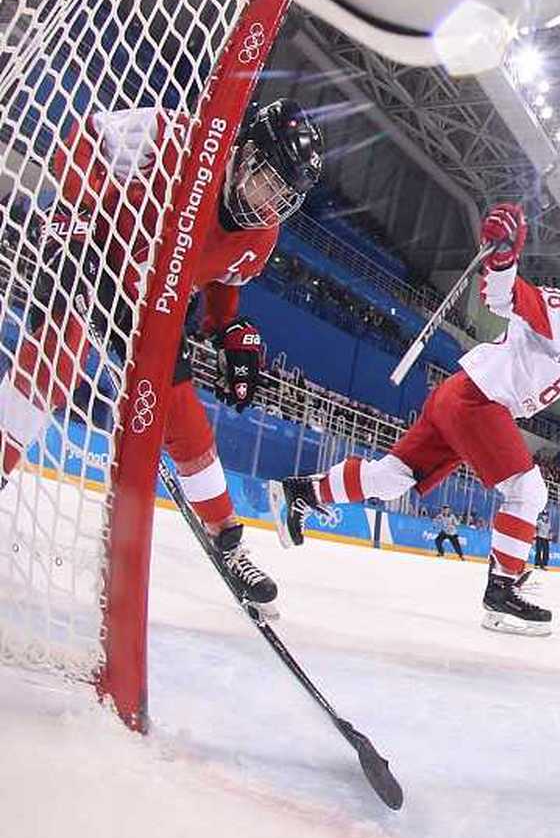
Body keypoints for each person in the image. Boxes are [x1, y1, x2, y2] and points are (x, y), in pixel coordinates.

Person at [268, 203, 560, 635]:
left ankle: (300, 492)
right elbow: (502, 297)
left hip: (463, 399)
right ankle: (502, 592)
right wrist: (504, 257)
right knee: (529, 492)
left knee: (392, 478)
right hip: (479, 400)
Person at [0, 100, 323, 611]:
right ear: (244, 153)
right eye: (265, 179)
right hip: (92, 248)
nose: (267, 201)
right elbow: (83, 139)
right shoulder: (175, 137)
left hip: (152, 298)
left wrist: (230, 330)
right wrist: (83, 205)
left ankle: (228, 538)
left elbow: (221, 286)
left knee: (184, 416)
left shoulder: (261, 237)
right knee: (61, 351)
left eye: (281, 195)